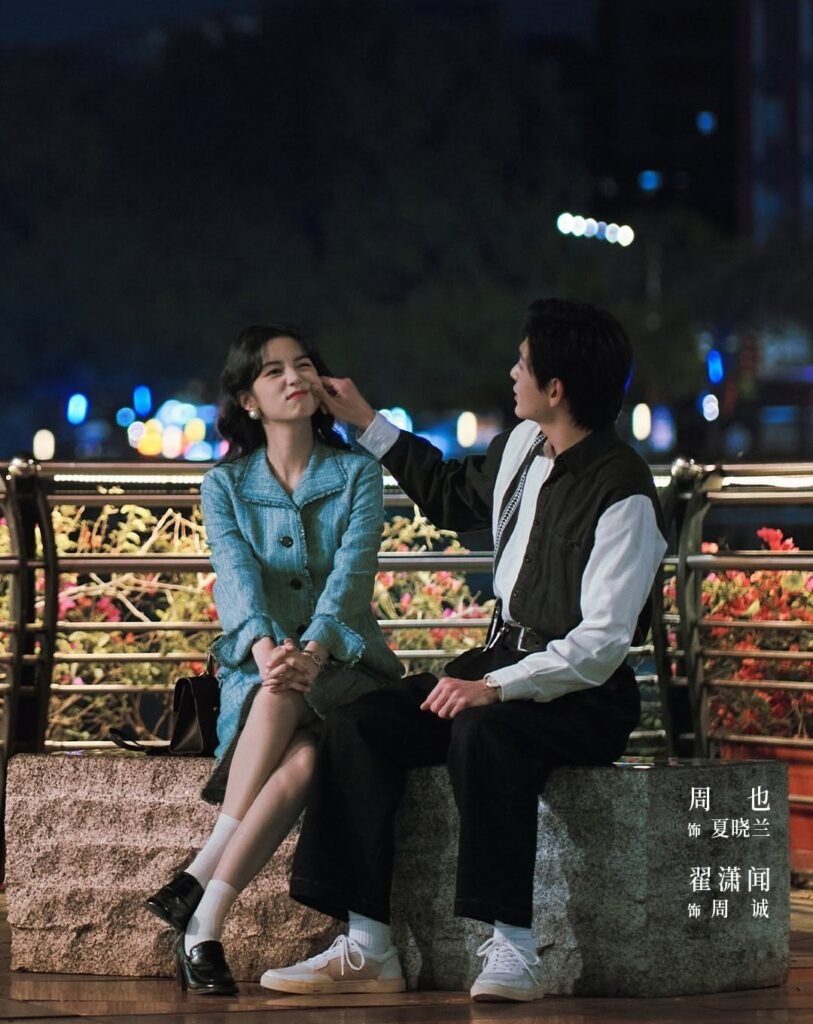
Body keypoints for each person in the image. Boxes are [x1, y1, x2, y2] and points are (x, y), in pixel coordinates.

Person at [259, 298, 668, 1003]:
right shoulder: (522, 448)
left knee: (485, 732)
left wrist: (497, 688)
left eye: (522, 363)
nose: (512, 373)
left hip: (585, 695)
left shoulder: (623, 492)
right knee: (360, 725)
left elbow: (600, 646)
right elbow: (452, 495)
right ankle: (368, 946)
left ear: (556, 388)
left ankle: (514, 949)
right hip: (499, 662)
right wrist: (365, 421)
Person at [145, 324, 403, 995]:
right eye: (273, 371)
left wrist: (311, 652)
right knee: (307, 755)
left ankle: (200, 874)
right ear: (248, 400)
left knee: (287, 691)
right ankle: (205, 924)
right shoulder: (225, 484)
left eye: (304, 365)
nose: (295, 378)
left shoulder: (357, 474)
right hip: (259, 674)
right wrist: (268, 654)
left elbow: (351, 581)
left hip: (346, 666)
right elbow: (235, 581)